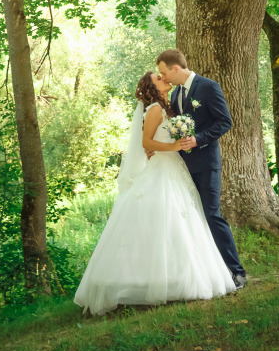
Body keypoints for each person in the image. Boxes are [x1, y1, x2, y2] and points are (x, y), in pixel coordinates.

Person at [74, 71, 237, 316]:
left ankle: (177, 277)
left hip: (174, 167)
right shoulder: (154, 109)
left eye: (164, 74)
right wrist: (173, 146)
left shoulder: (168, 106)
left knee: (181, 221)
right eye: (159, 78)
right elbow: (146, 143)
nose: (164, 78)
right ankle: (143, 282)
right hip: (161, 168)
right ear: (153, 86)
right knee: (160, 220)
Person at [156, 49, 247, 289]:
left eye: (164, 73)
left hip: (207, 164)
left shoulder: (208, 87)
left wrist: (198, 139)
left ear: (176, 68)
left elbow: (225, 121)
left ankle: (237, 272)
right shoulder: (175, 95)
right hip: (183, 169)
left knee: (212, 215)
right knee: (192, 219)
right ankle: (207, 272)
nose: (164, 78)